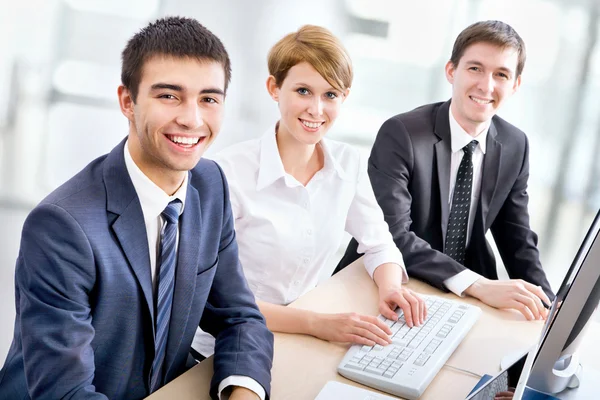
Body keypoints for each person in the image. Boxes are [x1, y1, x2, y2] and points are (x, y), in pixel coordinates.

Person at [0, 17, 272, 400]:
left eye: (208, 98)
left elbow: (239, 317)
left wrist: (243, 393)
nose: (192, 119)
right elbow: (66, 393)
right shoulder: (61, 226)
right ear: (128, 101)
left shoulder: (210, 186)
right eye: (168, 96)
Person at [192, 25, 427, 359]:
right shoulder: (227, 174)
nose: (316, 110)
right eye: (303, 91)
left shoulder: (346, 163)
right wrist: (317, 324)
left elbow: (379, 243)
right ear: (274, 87)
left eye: (330, 95)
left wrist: (390, 287)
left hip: (300, 342)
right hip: (224, 347)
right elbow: (216, 298)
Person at [336, 20, 554, 321]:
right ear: (451, 71)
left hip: (464, 293)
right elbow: (392, 234)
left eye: (501, 74)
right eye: (475, 68)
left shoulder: (515, 144)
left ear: (515, 84)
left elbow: (517, 241)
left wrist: (552, 308)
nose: (486, 86)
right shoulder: (402, 134)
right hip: (389, 281)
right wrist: (479, 285)